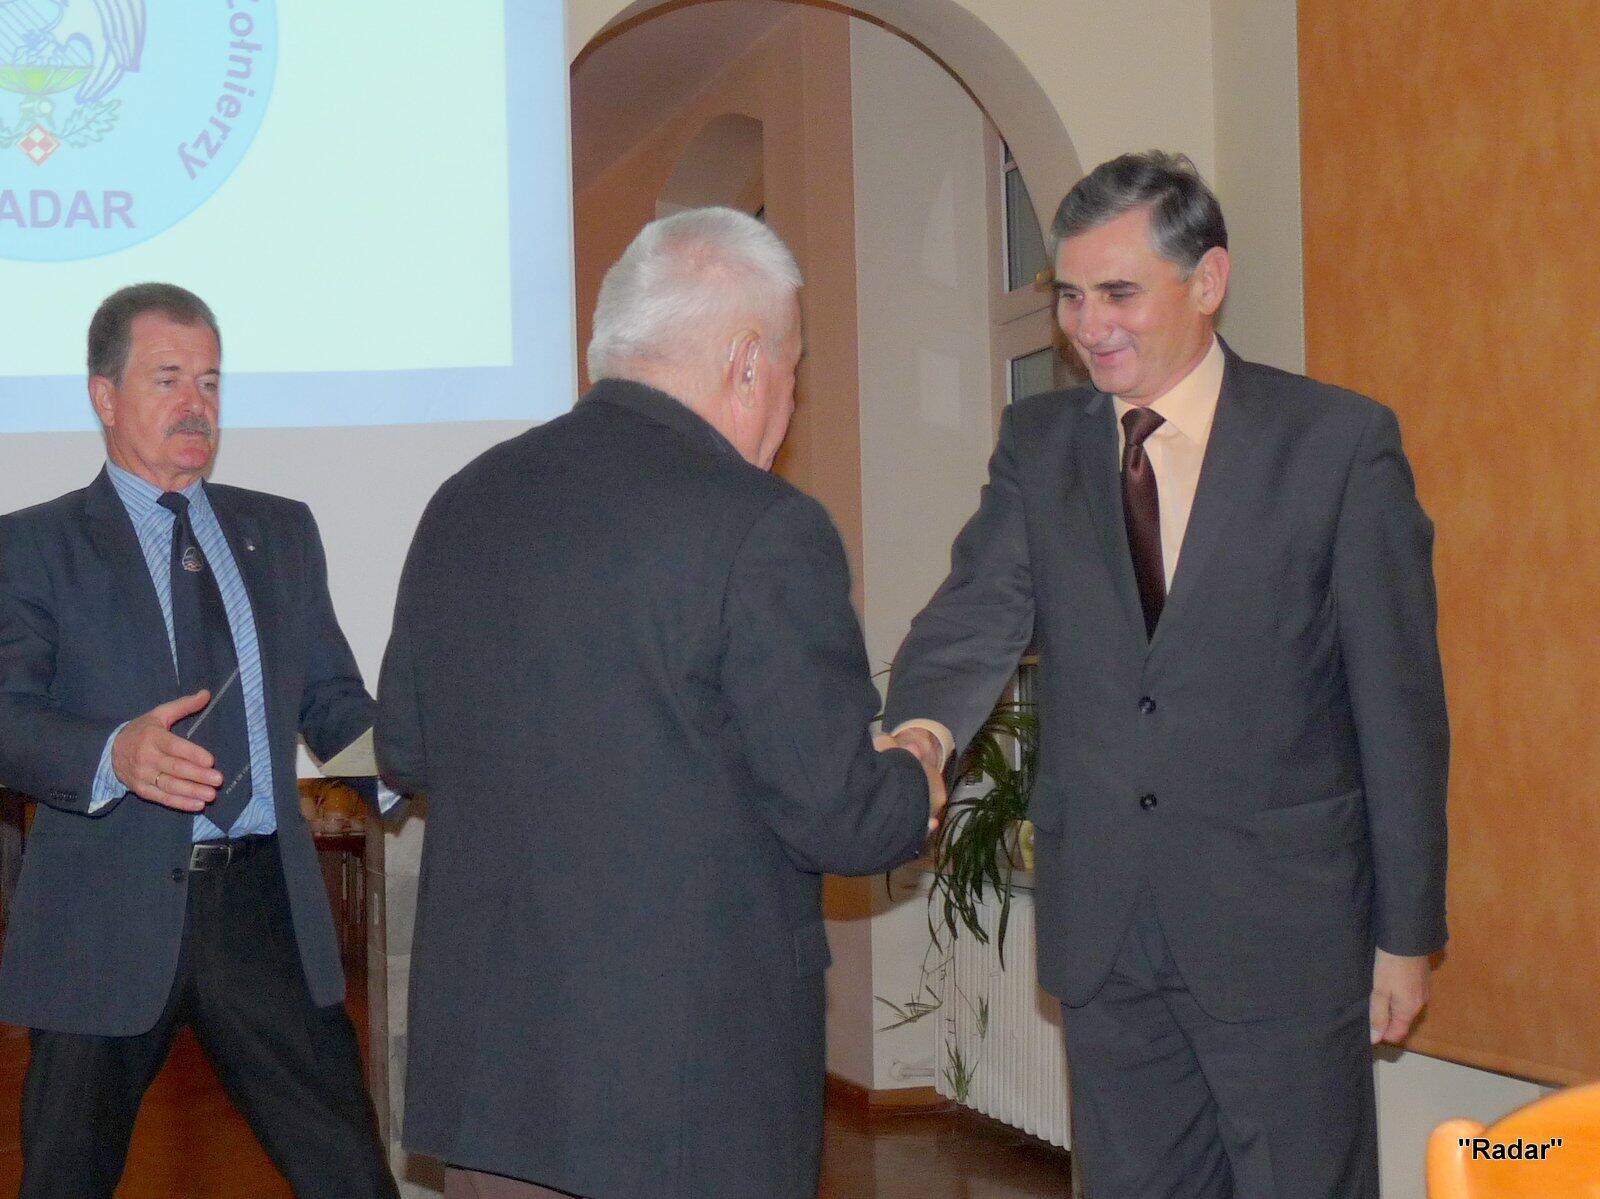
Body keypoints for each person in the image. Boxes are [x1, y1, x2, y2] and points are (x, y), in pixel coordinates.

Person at [883, 152, 1448, 1198]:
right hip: (1108, 934)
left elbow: (1399, 706)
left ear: (1208, 280)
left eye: (1118, 293)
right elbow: (976, 610)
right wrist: (921, 731)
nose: (1087, 325)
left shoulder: (1336, 443)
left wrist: (1405, 935)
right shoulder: (1040, 443)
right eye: (1070, 296)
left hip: (1285, 933)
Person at [376, 207, 945, 1199]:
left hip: (491, 1089)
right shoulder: (763, 528)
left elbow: (408, 747)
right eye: (794, 370)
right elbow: (840, 814)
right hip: (682, 1102)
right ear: (748, 361)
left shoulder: (464, 501)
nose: (789, 399)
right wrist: (917, 772)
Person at [0, 283, 399, 1198]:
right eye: (168, 378)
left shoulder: (281, 531)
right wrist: (115, 753)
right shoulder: (33, 546)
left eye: (211, 382)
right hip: (105, 912)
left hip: (262, 906)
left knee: (351, 1175)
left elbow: (331, 705)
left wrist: (410, 772)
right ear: (104, 397)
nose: (196, 404)